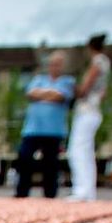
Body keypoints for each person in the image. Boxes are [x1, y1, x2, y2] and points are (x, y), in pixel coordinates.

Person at [15, 51, 75, 198]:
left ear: (62, 66)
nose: (54, 67)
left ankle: (49, 195)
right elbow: (31, 94)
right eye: (52, 64)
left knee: (50, 164)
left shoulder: (68, 81)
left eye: (58, 64)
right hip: (32, 129)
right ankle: (22, 192)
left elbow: (60, 96)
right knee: (24, 158)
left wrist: (42, 95)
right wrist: (50, 94)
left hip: (54, 131)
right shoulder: (38, 79)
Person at [68, 33, 111, 202]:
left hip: (87, 111)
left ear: (90, 47)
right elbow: (104, 93)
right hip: (95, 110)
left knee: (77, 150)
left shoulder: (97, 62)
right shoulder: (106, 63)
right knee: (87, 151)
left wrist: (73, 87)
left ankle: (81, 190)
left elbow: (84, 89)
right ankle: (89, 192)